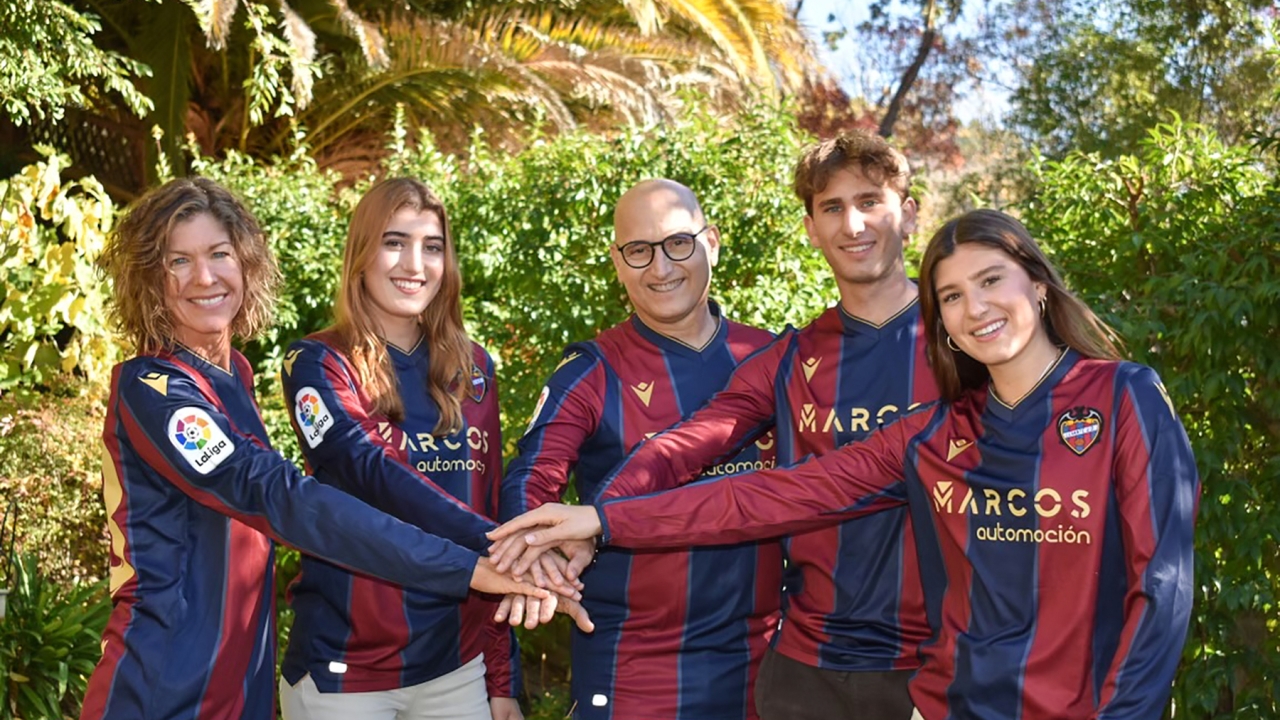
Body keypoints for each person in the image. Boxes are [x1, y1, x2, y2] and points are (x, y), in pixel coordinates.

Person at [492, 208, 1200, 720]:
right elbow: (769, 498)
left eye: (992, 281)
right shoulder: (934, 435)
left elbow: (1161, 587)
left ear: (1038, 286)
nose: (975, 308)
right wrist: (600, 519)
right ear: (940, 321)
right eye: (952, 296)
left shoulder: (1124, 396)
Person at [81, 177, 587, 720]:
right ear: (148, 278)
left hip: (242, 690)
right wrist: (477, 564)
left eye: (219, 253)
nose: (204, 276)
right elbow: (288, 499)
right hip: (161, 690)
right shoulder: (153, 389)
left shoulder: (232, 377)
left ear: (247, 264)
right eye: (177, 260)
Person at [497, 129, 937, 719]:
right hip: (703, 668)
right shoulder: (783, 359)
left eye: (678, 243)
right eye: (833, 207)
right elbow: (668, 449)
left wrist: (598, 521)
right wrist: (571, 533)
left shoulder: (959, 346)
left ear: (712, 244)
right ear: (811, 228)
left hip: (858, 662)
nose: (852, 226)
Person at [497, 179, 784, 720]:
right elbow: (531, 480)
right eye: (639, 250)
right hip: (632, 666)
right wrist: (538, 555)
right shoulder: (591, 371)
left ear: (712, 243)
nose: (661, 268)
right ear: (617, 260)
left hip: (760, 664)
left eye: (678, 243)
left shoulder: (771, 357)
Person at [277, 178, 550, 720]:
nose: (414, 264)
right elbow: (369, 470)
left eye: (432, 246)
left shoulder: (472, 368)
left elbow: (488, 504)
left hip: (456, 668)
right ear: (361, 254)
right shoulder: (316, 363)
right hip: (347, 673)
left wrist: (502, 678)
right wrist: (503, 546)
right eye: (394, 242)